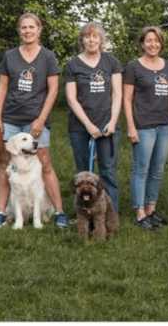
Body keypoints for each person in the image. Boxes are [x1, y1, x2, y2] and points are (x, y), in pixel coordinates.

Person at [0, 12, 69, 229]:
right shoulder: (10, 56)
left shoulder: (48, 57)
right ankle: (2, 212)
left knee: (44, 163)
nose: (27, 31)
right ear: (19, 31)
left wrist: (41, 120)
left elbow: (53, 90)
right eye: (23, 28)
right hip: (11, 118)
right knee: (5, 164)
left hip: (36, 119)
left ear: (39, 29)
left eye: (31, 27)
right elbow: (2, 87)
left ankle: (60, 212)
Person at [64, 22, 123, 212]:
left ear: (101, 40)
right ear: (82, 40)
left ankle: (109, 212)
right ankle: (84, 211)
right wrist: (89, 125)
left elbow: (117, 94)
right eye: (87, 36)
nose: (91, 40)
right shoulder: (73, 64)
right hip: (80, 127)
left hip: (107, 125)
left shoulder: (111, 62)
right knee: (83, 173)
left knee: (107, 170)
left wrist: (113, 122)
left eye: (95, 36)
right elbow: (72, 99)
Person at [123, 26, 168, 230]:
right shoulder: (133, 67)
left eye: (156, 41)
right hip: (143, 125)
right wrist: (131, 127)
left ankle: (151, 209)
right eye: (148, 41)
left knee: (158, 170)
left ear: (161, 43)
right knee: (141, 169)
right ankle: (139, 212)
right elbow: (127, 100)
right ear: (142, 44)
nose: (153, 44)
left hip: (165, 124)